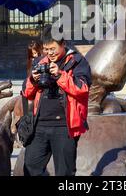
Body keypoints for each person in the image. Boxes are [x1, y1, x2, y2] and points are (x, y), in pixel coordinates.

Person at [22, 25, 91, 176]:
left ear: (63, 44)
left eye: (53, 49)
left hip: (64, 127)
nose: (49, 53)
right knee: (30, 167)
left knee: (64, 172)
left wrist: (60, 75)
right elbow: (26, 93)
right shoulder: (40, 62)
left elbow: (82, 89)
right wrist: (33, 80)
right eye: (46, 49)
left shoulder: (77, 61)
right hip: (39, 125)